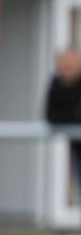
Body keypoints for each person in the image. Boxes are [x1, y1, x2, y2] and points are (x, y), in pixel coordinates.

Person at [45, 49, 81, 193]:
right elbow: (50, 115)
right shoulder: (56, 84)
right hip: (77, 145)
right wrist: (74, 117)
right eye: (64, 65)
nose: (67, 68)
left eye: (71, 64)